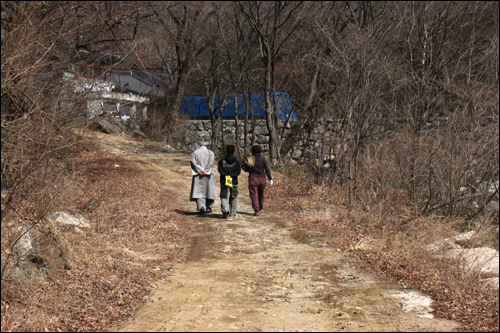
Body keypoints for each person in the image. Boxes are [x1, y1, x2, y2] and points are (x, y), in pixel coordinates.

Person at [242, 145, 273, 216]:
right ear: (260, 151)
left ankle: (256, 209)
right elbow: (267, 169)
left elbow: (245, 169)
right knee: (260, 194)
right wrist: (270, 178)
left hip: (253, 178)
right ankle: (260, 206)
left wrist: (244, 167)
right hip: (262, 179)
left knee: (254, 194)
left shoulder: (250, 158)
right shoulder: (263, 159)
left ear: (252, 151)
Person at [189, 140, 217, 214]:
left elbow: (193, 162)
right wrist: (206, 171)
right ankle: (209, 207)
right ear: (207, 146)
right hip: (209, 174)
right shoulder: (210, 153)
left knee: (199, 191)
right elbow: (211, 163)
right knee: (209, 190)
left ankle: (201, 207)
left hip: (198, 174)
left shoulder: (195, 153)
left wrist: (200, 170)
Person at [218, 145, 242, 218]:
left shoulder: (222, 161)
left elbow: (220, 170)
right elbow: (238, 171)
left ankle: (225, 209)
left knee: (224, 196)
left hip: (224, 181)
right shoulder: (236, 161)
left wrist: (227, 175)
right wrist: (232, 175)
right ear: (234, 152)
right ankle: (232, 213)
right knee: (233, 197)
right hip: (234, 181)